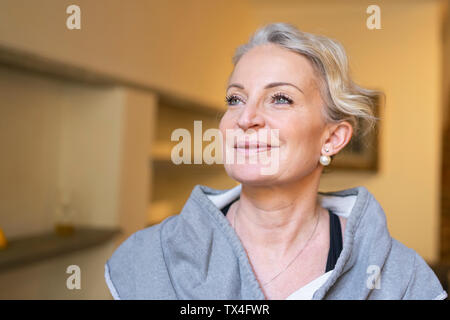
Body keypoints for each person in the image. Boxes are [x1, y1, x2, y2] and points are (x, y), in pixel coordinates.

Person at [104, 22, 447, 300]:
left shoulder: (401, 278)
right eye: (235, 99)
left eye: (280, 98)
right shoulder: (147, 259)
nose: (245, 117)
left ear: (332, 138)